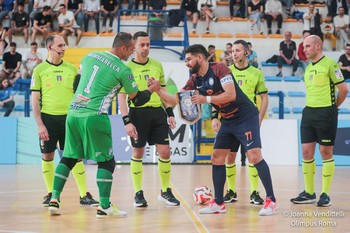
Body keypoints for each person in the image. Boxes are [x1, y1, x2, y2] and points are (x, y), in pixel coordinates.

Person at [47, 32, 161, 217]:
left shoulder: (90, 56)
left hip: (73, 112)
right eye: (131, 49)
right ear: (122, 48)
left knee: (68, 158)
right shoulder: (123, 70)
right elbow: (138, 99)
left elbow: (76, 85)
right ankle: (105, 206)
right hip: (95, 115)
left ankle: (54, 199)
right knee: (107, 162)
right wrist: (152, 89)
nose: (132, 53)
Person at [157, 44, 277, 216]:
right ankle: (219, 203)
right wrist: (157, 91)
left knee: (254, 155)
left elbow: (231, 95)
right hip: (227, 119)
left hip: (245, 117)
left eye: (189, 59)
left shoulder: (220, 69)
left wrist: (205, 98)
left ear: (200, 58)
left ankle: (271, 200)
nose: (186, 63)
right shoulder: (194, 79)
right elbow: (176, 99)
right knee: (217, 157)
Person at [30, 34, 99, 208]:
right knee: (47, 155)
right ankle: (50, 193)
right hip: (48, 119)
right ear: (49, 47)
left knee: (75, 156)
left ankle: (84, 194)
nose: (63, 48)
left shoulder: (71, 68)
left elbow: (80, 93)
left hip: (70, 119)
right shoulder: (39, 70)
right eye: (60, 45)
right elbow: (35, 99)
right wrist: (40, 124)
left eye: (64, 45)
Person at [118, 31, 180, 208]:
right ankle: (138, 193)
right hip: (138, 114)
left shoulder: (157, 66)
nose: (146, 48)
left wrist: (170, 113)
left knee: (165, 151)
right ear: (134, 47)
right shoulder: (127, 68)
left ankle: (165, 191)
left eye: (148, 45)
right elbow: (122, 97)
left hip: (158, 113)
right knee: (138, 153)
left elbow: (162, 92)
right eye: (142, 45)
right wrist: (127, 121)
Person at [290, 35, 348, 207]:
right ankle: (309, 192)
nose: (305, 49)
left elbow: (343, 90)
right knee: (307, 153)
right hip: (309, 113)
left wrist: (333, 107)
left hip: (326, 113)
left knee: (325, 153)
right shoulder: (308, 68)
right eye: (304, 46)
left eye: (308, 46)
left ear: (318, 46)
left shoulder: (330, 64)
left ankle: (325, 194)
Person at [217, 40, 267, 206]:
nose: (234, 54)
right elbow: (219, 97)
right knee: (229, 156)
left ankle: (255, 192)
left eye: (238, 50)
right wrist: (216, 119)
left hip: (247, 121)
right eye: (232, 51)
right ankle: (231, 191)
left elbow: (264, 97)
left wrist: (259, 118)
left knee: (253, 156)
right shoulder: (226, 72)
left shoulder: (256, 73)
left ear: (246, 53)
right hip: (229, 120)